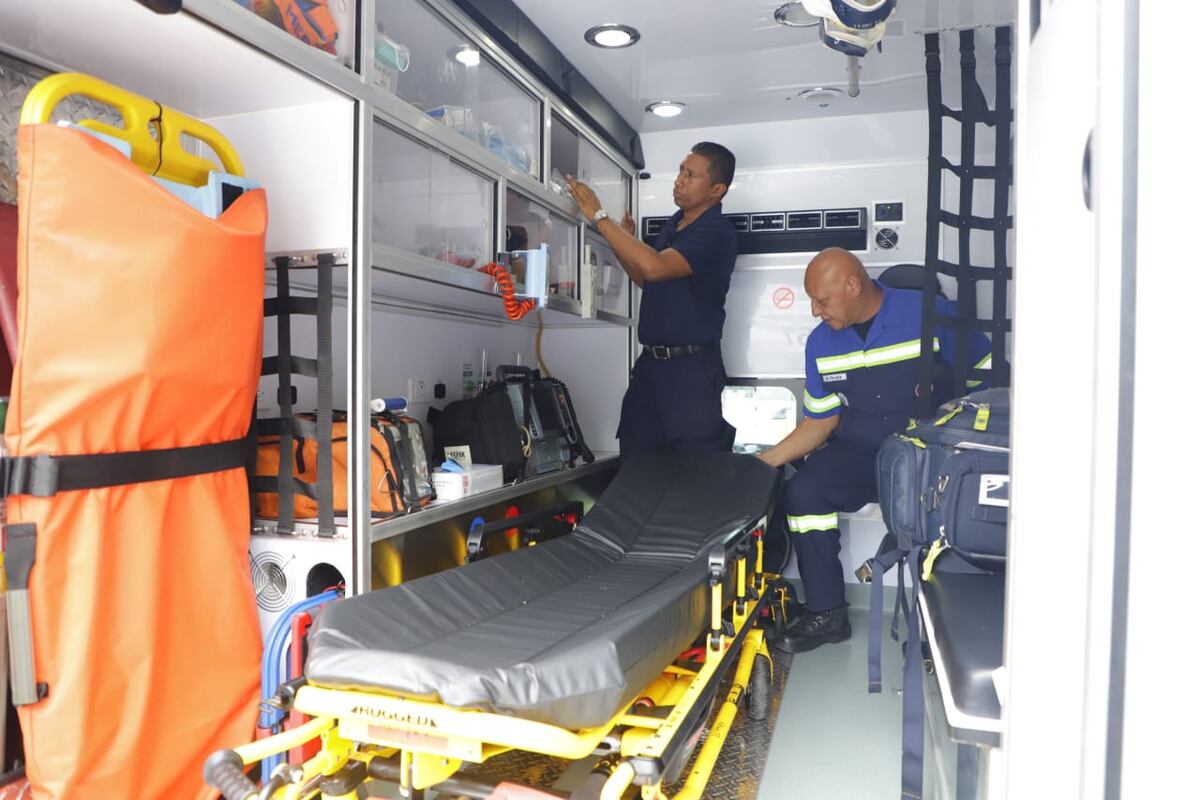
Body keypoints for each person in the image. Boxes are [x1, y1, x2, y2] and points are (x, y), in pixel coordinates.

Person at [759, 247, 993, 653]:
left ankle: (940, 625)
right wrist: (762, 464)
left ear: (853, 285)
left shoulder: (931, 315)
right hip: (862, 451)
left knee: (941, 511)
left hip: (927, 454)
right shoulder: (821, 343)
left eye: (822, 300)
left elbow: (987, 380)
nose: (815, 311)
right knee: (804, 491)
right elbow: (820, 422)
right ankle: (826, 613)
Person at [565, 142, 739, 457]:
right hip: (650, 368)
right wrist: (621, 239)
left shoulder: (716, 232)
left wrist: (600, 217)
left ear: (717, 190)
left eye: (691, 175)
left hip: (691, 370)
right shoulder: (675, 224)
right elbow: (646, 278)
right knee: (636, 461)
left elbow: (655, 267)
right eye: (680, 171)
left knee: (697, 470)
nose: (679, 180)